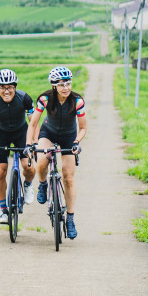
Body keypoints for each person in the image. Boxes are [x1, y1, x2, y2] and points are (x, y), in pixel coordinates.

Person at [27, 66, 86, 240]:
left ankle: (70, 218)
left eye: (68, 83)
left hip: (69, 136)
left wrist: (76, 142)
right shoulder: (45, 98)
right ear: (54, 86)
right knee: (43, 159)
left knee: (68, 177)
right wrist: (29, 144)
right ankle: (43, 184)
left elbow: (83, 128)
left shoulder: (77, 101)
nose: (66, 88)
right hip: (49, 132)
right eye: (61, 84)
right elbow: (33, 124)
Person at [0, 68, 35, 225]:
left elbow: (33, 122)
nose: (6, 91)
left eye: (10, 87)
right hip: (1, 134)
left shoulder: (24, 98)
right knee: (0, 171)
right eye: (2, 87)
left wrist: (34, 142)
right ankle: (3, 210)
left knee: (28, 166)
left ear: (15, 87)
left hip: (22, 132)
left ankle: (27, 186)